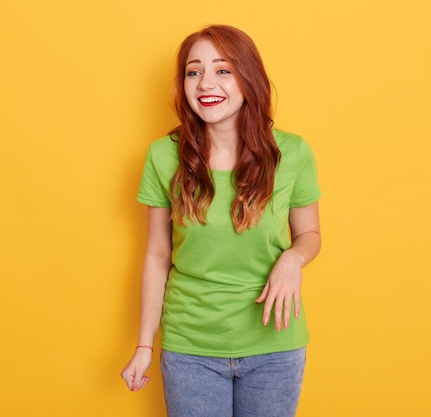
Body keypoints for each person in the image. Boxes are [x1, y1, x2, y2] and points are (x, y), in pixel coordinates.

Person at [120, 24, 321, 417]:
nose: (205, 83)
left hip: (275, 347)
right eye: (194, 72)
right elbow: (158, 255)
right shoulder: (163, 157)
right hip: (190, 347)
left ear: (249, 78)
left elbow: (310, 234)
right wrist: (145, 345)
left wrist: (293, 259)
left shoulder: (292, 153)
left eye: (223, 70)